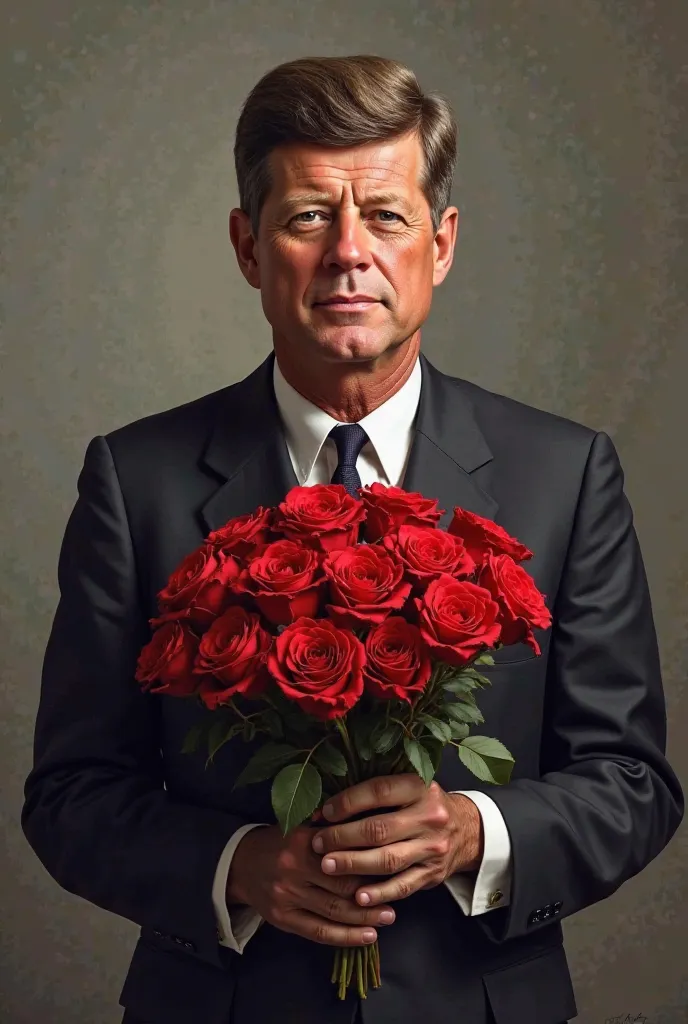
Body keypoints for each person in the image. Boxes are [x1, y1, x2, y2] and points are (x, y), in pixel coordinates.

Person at [21, 54, 683, 1024]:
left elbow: (632, 779)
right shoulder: (137, 479)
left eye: (383, 214)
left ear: (440, 243)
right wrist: (238, 866)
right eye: (306, 218)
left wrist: (472, 831)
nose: (347, 253)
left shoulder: (564, 473)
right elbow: (71, 793)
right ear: (249, 248)